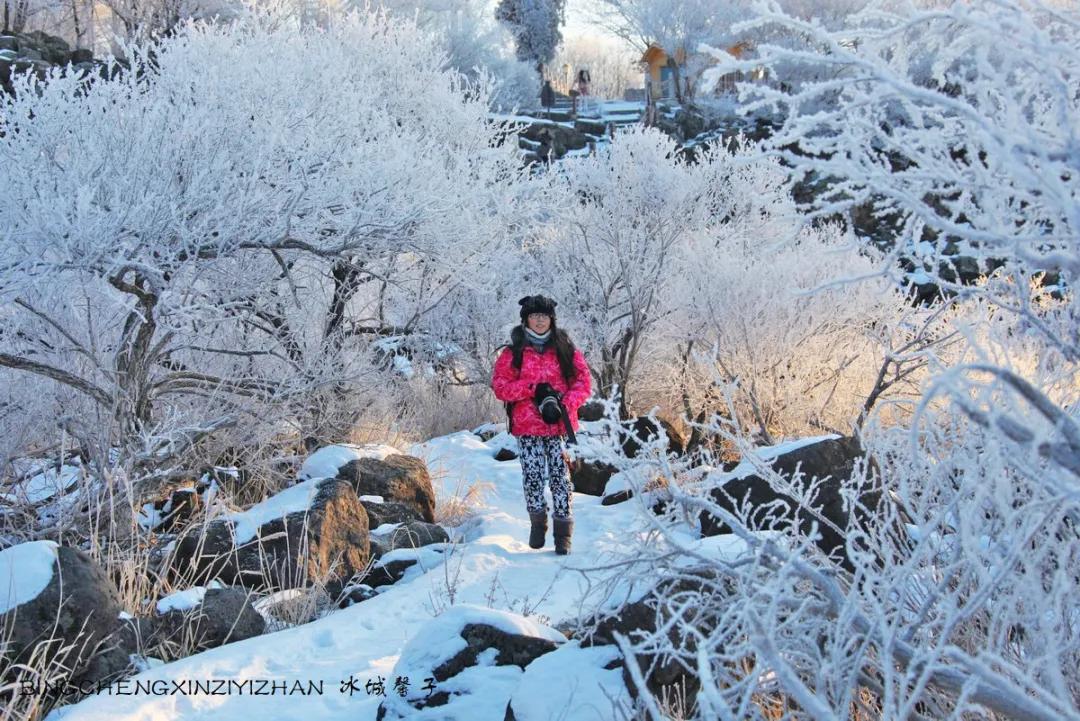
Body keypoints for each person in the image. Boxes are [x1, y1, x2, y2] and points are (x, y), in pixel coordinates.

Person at [491, 295, 591, 555]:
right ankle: (537, 523)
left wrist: (566, 402)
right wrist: (531, 389)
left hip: (559, 424)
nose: (539, 320)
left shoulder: (564, 348)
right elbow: (500, 387)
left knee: (561, 479)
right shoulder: (513, 353)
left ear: (551, 319)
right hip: (527, 427)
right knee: (533, 477)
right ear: (526, 319)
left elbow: (584, 381)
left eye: (543, 316)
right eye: (534, 316)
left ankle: (563, 535)